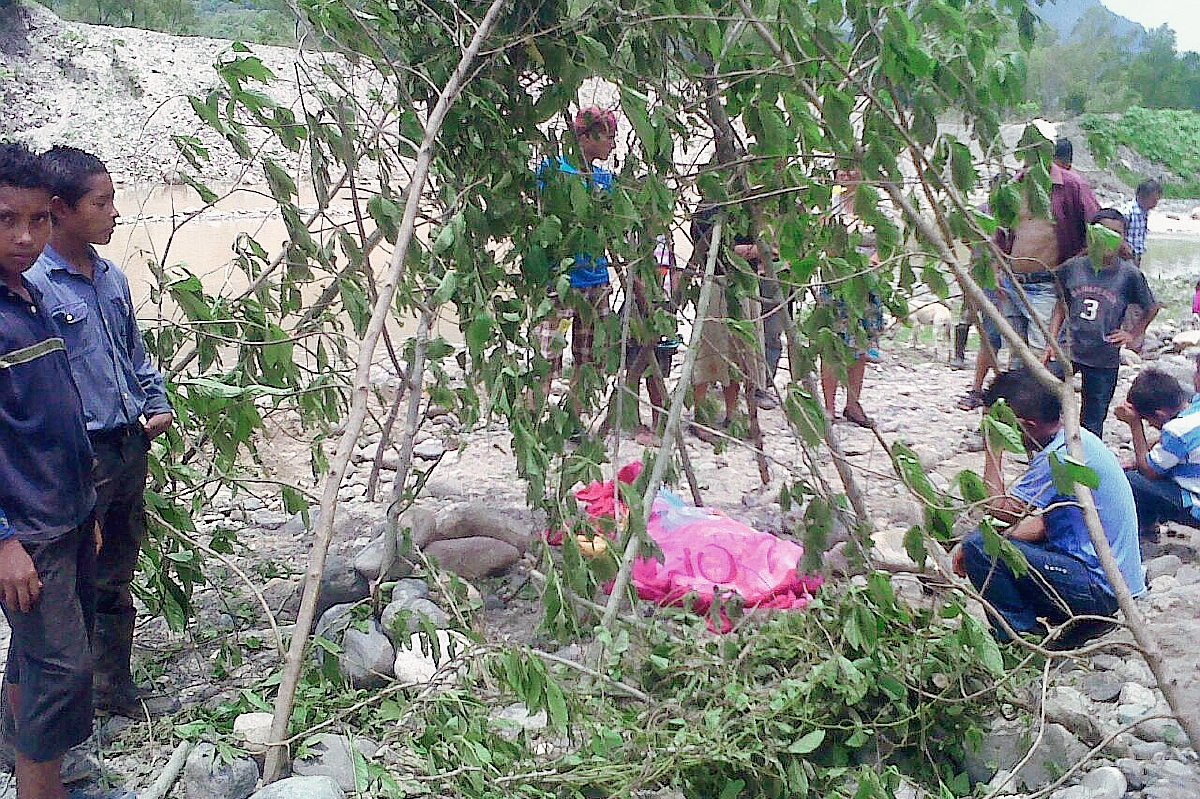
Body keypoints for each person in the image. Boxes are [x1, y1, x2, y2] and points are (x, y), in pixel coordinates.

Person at [25, 146, 177, 719]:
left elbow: (133, 352)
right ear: (60, 209)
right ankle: (49, 712)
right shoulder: (34, 288)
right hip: (76, 458)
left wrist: (154, 402)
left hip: (125, 448)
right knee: (63, 584)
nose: (114, 213)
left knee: (116, 572)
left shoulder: (109, 276)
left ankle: (113, 687)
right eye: (101, 202)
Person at [0, 141, 98, 799]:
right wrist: (3, 538)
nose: (26, 236)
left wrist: (86, 506)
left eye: (38, 220)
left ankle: (26, 766)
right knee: (63, 668)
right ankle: (41, 790)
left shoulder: (30, 295)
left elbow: (57, 414)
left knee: (33, 659)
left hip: (65, 514)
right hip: (25, 530)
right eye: (6, 219)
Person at [951, 369, 1145, 646]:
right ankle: (1070, 624)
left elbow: (999, 507)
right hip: (1112, 581)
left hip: (1101, 587)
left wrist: (993, 444)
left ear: (1025, 424)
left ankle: (1020, 640)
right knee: (984, 545)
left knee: (980, 547)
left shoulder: (1060, 456)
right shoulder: (1078, 439)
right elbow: (1043, 523)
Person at [531, 107, 618, 417]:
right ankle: (536, 420)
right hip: (562, 279)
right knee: (547, 356)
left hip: (596, 279)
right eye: (608, 137)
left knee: (589, 356)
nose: (612, 145)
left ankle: (575, 418)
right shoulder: (554, 170)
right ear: (587, 136)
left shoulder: (605, 179)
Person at [1046, 208, 1158, 437]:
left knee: (1094, 417)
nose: (1109, 237)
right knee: (1046, 395)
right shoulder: (1072, 267)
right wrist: (1051, 341)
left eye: (1116, 233)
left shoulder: (1129, 275)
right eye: (1103, 231)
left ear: (1123, 238)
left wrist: (1132, 334)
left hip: (1104, 356)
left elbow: (1151, 307)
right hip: (1069, 348)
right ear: (1091, 234)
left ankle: (1086, 458)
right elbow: (1060, 305)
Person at [1001, 137, 1100, 358]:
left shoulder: (1072, 185)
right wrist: (996, 270)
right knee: (1016, 352)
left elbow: (1098, 228)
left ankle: (1040, 391)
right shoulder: (1015, 185)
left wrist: (1073, 268)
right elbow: (1001, 230)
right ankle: (1018, 392)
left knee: (1040, 353)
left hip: (1046, 284)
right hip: (1011, 282)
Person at [686, 202, 765, 440]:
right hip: (718, 284)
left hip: (746, 284)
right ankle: (700, 417)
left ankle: (733, 413)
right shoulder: (710, 209)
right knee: (710, 350)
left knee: (741, 352)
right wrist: (757, 249)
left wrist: (756, 249)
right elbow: (715, 248)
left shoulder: (747, 207)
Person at [818, 166, 883, 427]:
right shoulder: (827, 205)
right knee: (831, 344)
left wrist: (877, 259)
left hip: (867, 285)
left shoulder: (873, 207)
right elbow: (823, 243)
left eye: (852, 169)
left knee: (860, 346)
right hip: (837, 283)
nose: (846, 175)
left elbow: (886, 241)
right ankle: (829, 407)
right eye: (841, 170)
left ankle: (853, 404)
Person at [1114, 368, 1200, 541]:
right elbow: (1167, 442)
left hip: (1195, 503)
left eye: (1149, 421)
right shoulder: (1195, 405)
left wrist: (1135, 425)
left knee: (1131, 479)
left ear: (1160, 415)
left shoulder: (1176, 431)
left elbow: (1148, 470)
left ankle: (1145, 528)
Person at [1120, 179, 1162, 267]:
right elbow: (1119, 234)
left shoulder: (1144, 212)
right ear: (1142, 196)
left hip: (1136, 255)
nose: (1155, 204)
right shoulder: (1128, 212)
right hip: (1125, 256)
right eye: (1154, 200)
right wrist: (1126, 249)